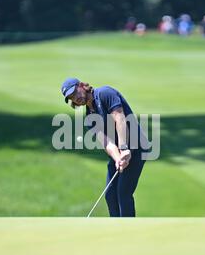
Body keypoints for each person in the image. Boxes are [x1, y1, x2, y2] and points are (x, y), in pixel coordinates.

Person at [60, 78, 148, 217]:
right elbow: (107, 143)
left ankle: (128, 231)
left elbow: (119, 118)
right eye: (71, 97)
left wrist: (124, 148)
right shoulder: (89, 117)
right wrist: (118, 158)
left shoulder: (105, 93)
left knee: (123, 192)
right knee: (110, 194)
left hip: (137, 147)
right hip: (120, 153)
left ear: (82, 85)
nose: (75, 98)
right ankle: (115, 229)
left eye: (75, 92)